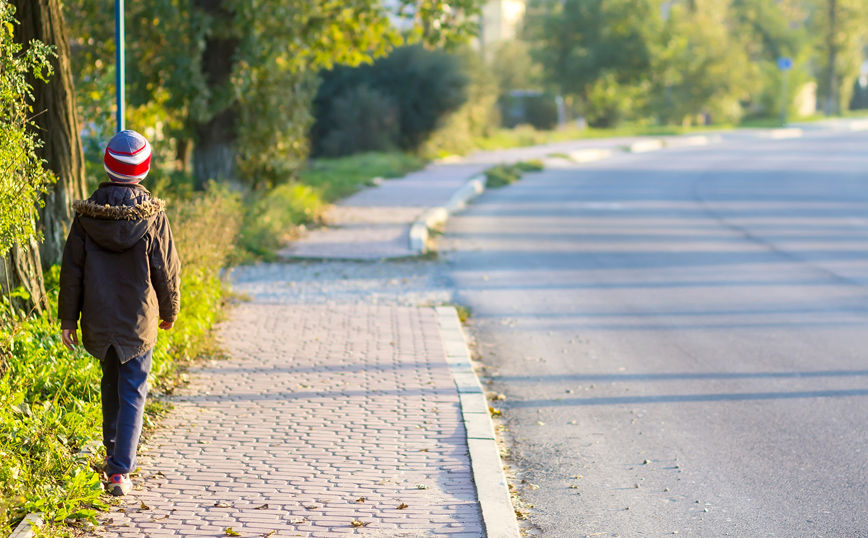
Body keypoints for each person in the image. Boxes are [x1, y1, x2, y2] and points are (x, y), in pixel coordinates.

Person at [58, 130, 181, 496]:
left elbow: (72, 272)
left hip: (98, 317)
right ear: (143, 170)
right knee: (133, 390)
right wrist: (170, 309)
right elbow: (166, 268)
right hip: (137, 320)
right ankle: (120, 471)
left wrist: (68, 320)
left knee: (110, 385)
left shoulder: (86, 217)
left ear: (108, 167)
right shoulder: (152, 217)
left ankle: (113, 454)